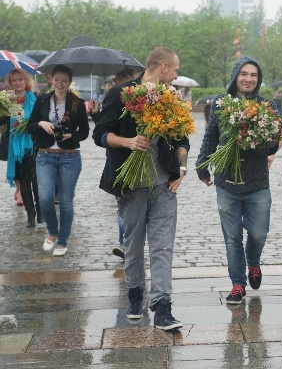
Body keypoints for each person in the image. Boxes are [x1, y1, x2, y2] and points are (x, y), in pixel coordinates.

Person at [92, 47, 188, 331]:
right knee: (133, 245)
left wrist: (181, 168)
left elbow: (182, 139)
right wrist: (130, 142)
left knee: (162, 246)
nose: (176, 75)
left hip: (164, 185)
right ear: (162, 67)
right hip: (130, 184)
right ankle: (135, 294)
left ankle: (162, 307)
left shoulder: (171, 98)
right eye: (175, 69)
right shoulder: (120, 94)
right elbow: (100, 134)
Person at [196, 56, 279, 305]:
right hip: (226, 183)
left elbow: (273, 144)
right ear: (235, 75)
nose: (249, 79)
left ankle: (253, 262)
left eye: (253, 75)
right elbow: (211, 137)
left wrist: (253, 139)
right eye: (244, 73)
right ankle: (237, 285)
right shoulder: (220, 104)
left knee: (258, 234)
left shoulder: (267, 105)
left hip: (257, 185)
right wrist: (202, 166)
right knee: (232, 238)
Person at [27, 65, 90, 256]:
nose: (59, 84)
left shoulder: (77, 103)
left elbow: (85, 132)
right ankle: (53, 231)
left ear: (69, 82)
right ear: (50, 80)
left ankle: (63, 240)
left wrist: (71, 135)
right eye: (56, 80)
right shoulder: (43, 100)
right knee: (45, 198)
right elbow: (30, 125)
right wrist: (40, 123)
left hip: (69, 156)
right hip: (45, 155)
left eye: (64, 80)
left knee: (65, 200)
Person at [88, 68, 139, 260]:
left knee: (124, 205)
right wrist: (95, 113)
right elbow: (104, 129)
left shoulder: (123, 96)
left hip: (126, 159)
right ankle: (125, 244)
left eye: (114, 80)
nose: (111, 83)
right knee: (122, 204)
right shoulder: (115, 96)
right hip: (118, 161)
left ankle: (128, 243)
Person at [2, 68, 42, 226]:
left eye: (20, 79)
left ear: (26, 81)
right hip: (17, 148)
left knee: (35, 179)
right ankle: (30, 215)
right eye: (14, 81)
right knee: (24, 180)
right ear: (10, 84)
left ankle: (40, 211)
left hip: (33, 144)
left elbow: (40, 118)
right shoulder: (7, 101)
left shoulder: (35, 98)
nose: (17, 83)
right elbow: (4, 123)